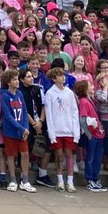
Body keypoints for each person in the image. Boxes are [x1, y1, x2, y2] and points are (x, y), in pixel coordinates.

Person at [43, 60, 79, 193]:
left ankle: (70, 181)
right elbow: (49, 115)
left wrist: (76, 131)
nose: (62, 77)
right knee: (59, 155)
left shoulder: (69, 93)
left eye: (63, 75)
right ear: (53, 78)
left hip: (68, 129)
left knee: (69, 154)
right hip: (57, 130)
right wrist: (52, 133)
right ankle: (60, 181)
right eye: (59, 75)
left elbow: (74, 112)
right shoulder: (50, 93)